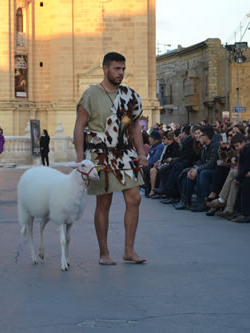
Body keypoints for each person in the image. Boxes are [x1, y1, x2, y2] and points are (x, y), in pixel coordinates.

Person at [73, 52, 147, 265]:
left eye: (123, 69)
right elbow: (79, 125)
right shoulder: (90, 94)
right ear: (105, 69)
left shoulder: (130, 95)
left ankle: (129, 250)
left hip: (125, 153)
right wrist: (80, 157)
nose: (121, 73)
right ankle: (104, 253)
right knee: (104, 203)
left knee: (135, 198)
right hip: (100, 153)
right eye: (117, 68)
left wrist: (141, 153)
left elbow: (134, 127)